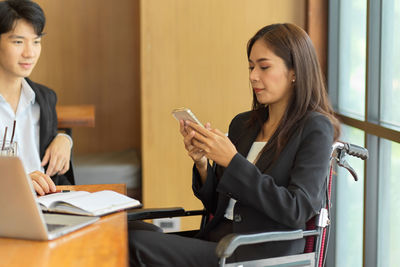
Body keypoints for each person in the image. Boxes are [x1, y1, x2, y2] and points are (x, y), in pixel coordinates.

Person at [129, 23, 340, 266]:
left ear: (295, 71)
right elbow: (218, 206)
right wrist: (202, 165)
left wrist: (232, 161)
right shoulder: (244, 124)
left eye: (264, 66)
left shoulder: (314, 128)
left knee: (135, 245)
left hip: (257, 252)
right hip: (219, 242)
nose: (253, 76)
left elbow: (297, 210)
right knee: (124, 230)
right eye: (251, 67)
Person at [0, 0, 74, 195]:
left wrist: (64, 139)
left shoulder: (45, 98)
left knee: (145, 227)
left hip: (48, 206)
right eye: (18, 41)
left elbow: (57, 170)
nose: (30, 52)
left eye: (36, 41)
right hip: (6, 211)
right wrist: (20, 183)